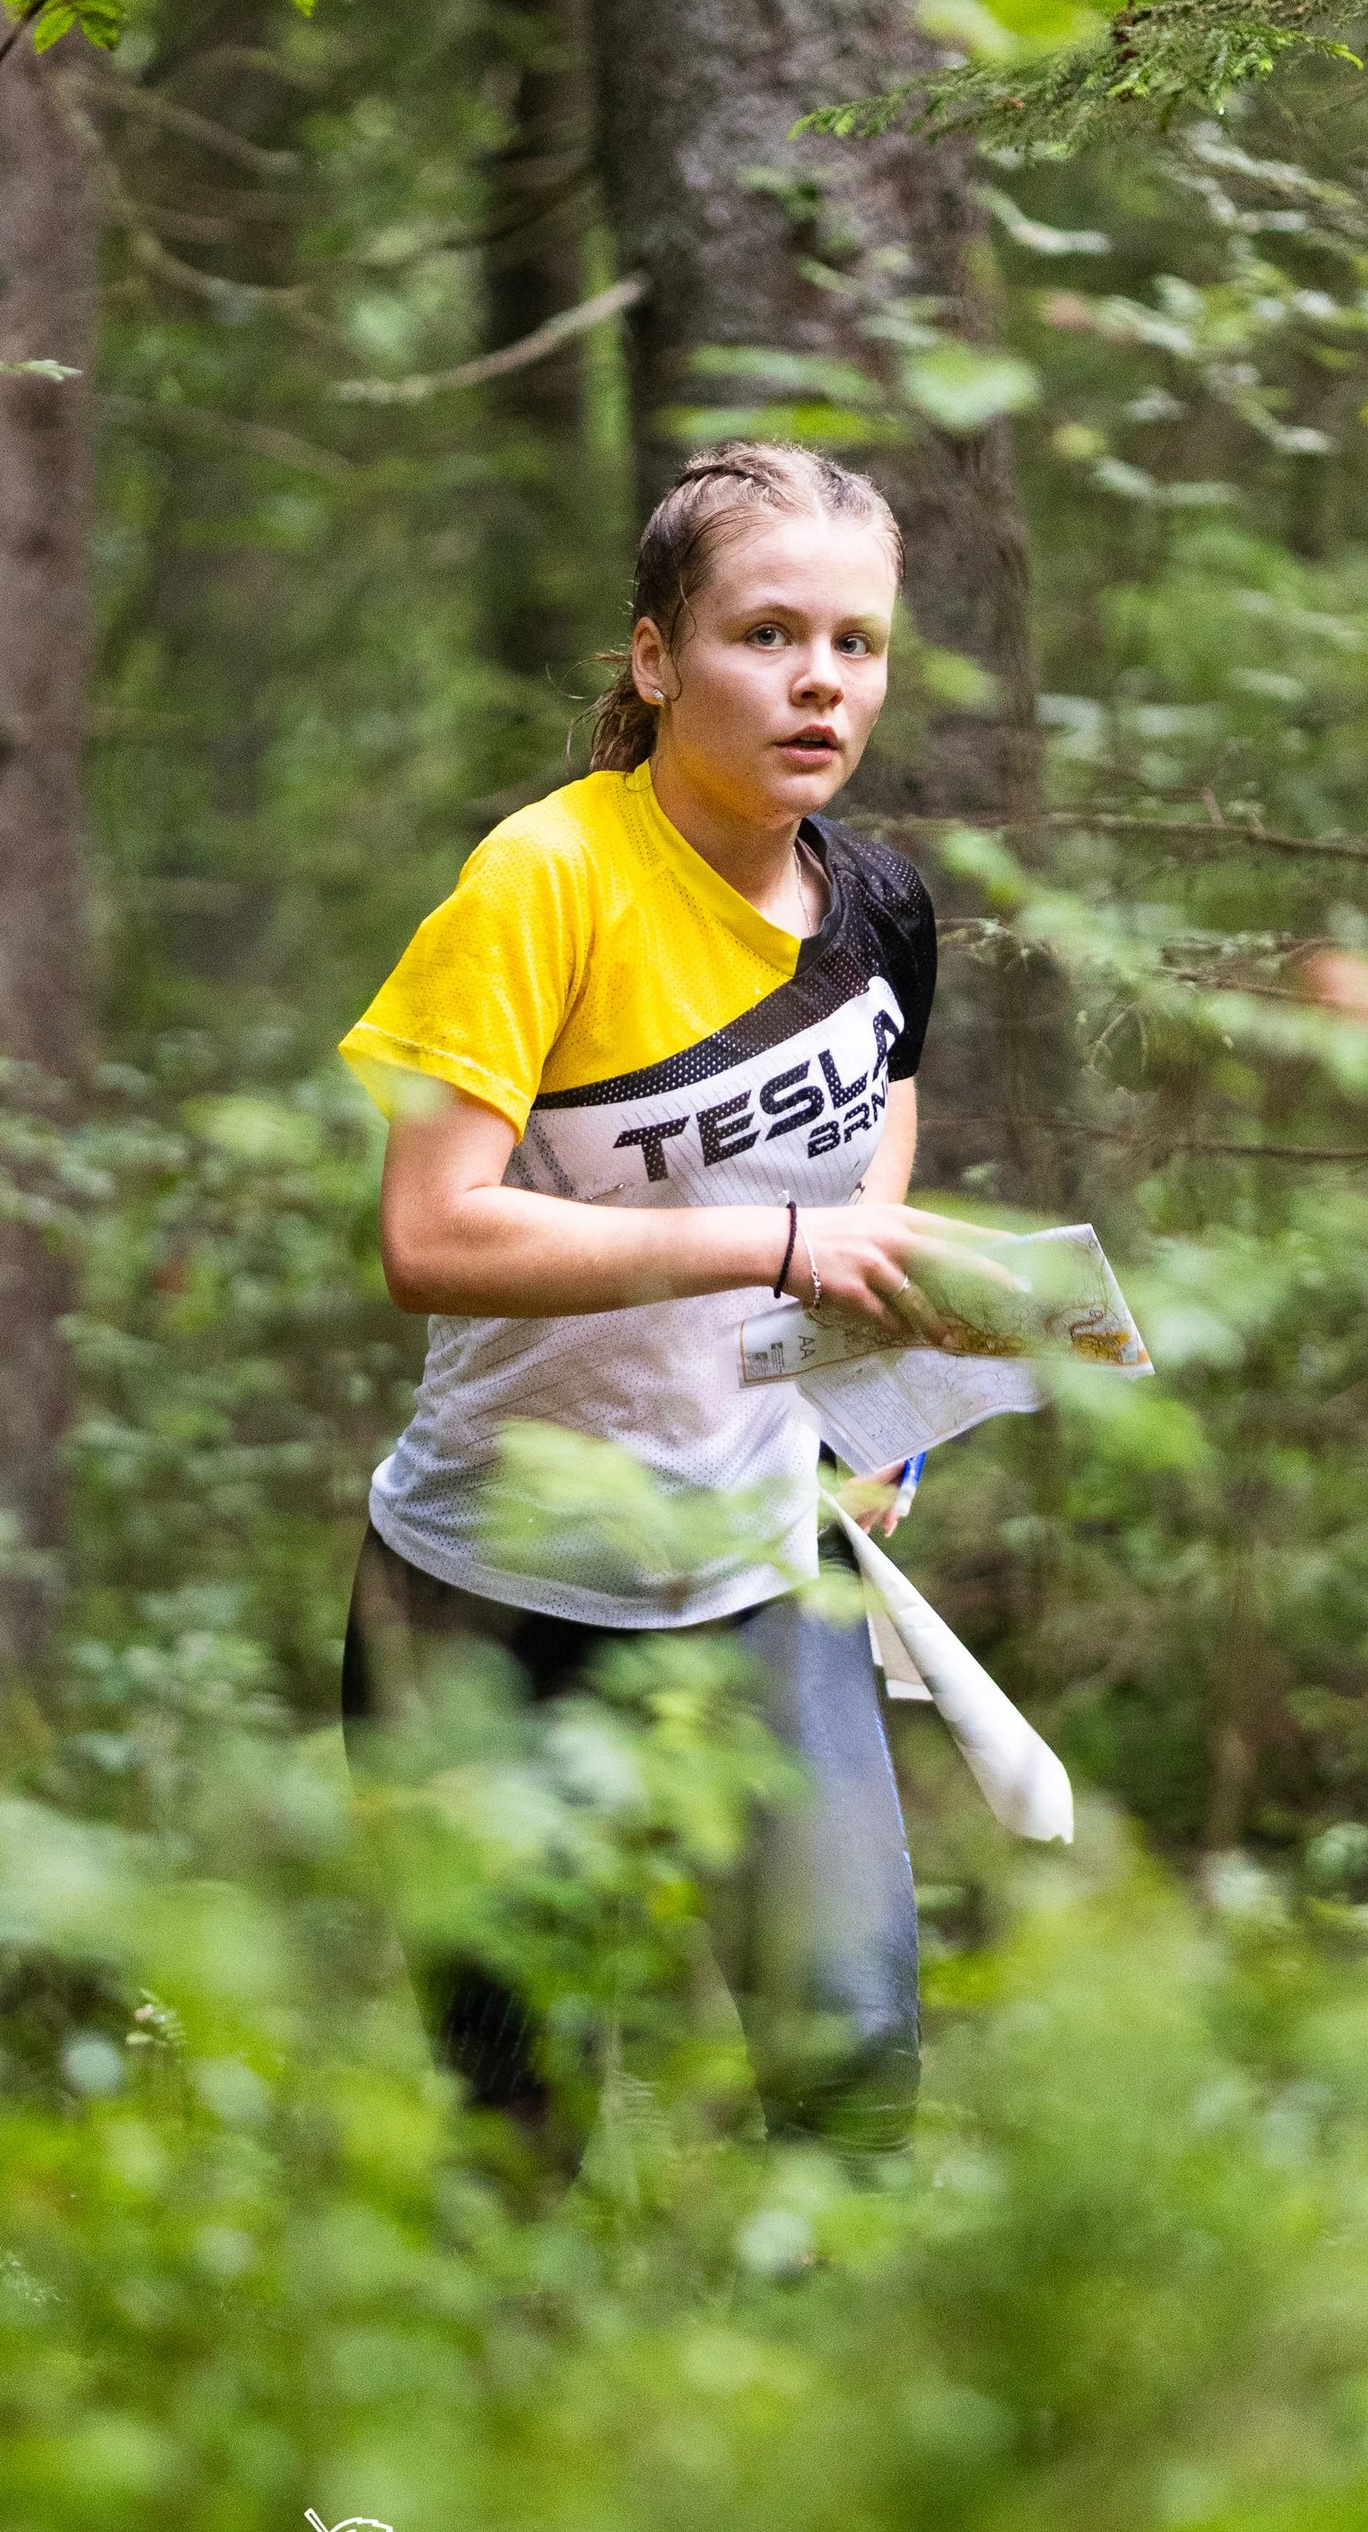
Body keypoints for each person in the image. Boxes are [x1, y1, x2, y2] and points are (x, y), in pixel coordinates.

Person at [337, 441, 1007, 2172]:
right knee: (522, 2144)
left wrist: (864, 1391)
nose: (819, 682)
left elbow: (880, 1111)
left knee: (851, 2088)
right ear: (656, 659)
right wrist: (776, 1247)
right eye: (766, 635)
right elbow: (430, 1234)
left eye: (856, 644)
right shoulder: (543, 881)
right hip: (495, 1595)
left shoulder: (877, 902)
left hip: (758, 1574)